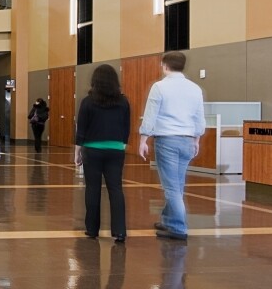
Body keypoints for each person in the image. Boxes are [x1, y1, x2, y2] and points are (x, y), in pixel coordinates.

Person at [139, 51, 205, 241]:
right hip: (187, 139)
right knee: (177, 184)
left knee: (171, 187)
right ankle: (168, 219)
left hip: (167, 139)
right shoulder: (195, 89)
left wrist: (144, 139)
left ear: (164, 65)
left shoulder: (159, 87)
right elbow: (199, 117)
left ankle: (178, 227)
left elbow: (150, 115)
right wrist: (196, 139)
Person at [74, 64, 130, 243]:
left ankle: (92, 229)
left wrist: (77, 150)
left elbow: (81, 129)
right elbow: (126, 127)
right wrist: (122, 145)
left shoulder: (87, 102)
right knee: (116, 189)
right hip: (116, 149)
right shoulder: (123, 101)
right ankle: (120, 231)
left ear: (94, 81)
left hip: (93, 150)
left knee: (92, 188)